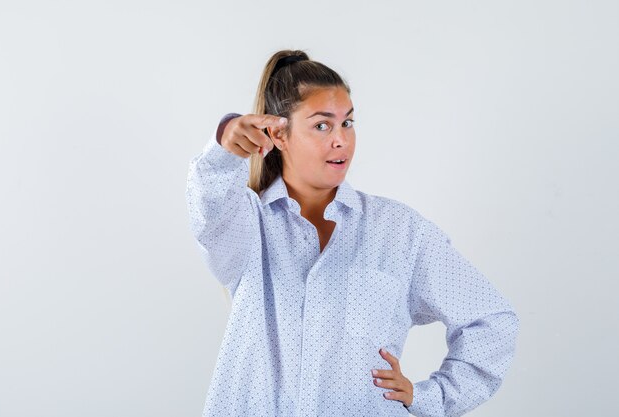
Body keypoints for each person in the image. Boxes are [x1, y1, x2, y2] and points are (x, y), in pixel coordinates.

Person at [185, 49, 519, 417]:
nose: (341, 140)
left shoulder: (399, 231)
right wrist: (225, 148)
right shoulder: (247, 226)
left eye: (348, 123)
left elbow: (491, 320)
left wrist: (429, 397)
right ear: (278, 134)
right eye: (322, 125)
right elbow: (208, 208)